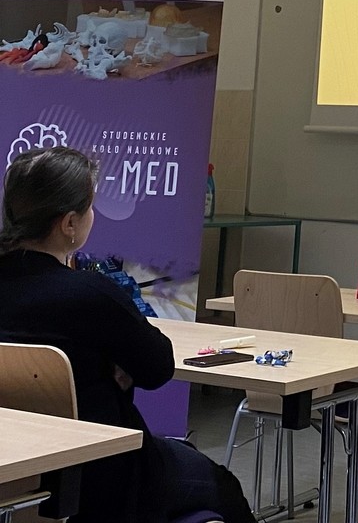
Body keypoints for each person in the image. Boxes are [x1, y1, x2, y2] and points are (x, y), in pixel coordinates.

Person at [0, 146, 255, 523]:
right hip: (106, 475)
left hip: (14, 470)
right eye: (90, 206)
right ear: (69, 223)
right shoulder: (91, 294)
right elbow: (157, 369)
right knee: (223, 486)